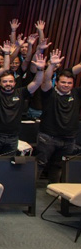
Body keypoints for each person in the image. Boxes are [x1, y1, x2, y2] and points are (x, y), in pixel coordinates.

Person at [0, 54, 46, 181]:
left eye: (10, 81)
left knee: (8, 164)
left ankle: (5, 186)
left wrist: (40, 69)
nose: (8, 83)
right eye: (5, 81)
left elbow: (37, 82)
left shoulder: (21, 93)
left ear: (14, 82)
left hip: (13, 137)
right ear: (0, 83)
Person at [36, 52, 81, 182]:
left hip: (69, 139)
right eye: (63, 82)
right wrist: (51, 65)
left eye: (69, 83)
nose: (66, 85)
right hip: (48, 137)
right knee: (40, 164)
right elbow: (45, 80)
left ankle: (53, 189)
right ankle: (28, 190)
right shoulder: (49, 93)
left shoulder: (76, 93)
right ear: (56, 83)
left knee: (58, 166)